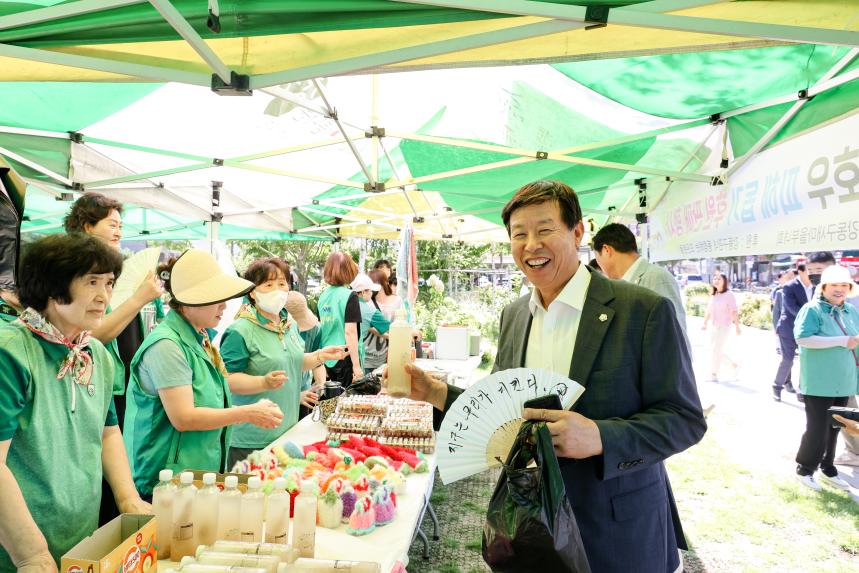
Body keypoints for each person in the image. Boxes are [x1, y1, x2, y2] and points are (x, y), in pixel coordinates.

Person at [398, 180, 706, 573]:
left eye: (545, 229)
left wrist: (600, 437)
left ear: (578, 232)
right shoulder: (514, 316)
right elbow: (501, 411)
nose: (531, 245)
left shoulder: (643, 311)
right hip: (531, 530)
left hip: (618, 533)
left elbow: (684, 419)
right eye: (519, 234)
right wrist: (435, 392)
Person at [0, 234, 150, 570]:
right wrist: (30, 554)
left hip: (80, 536)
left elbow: (108, 432)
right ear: (53, 287)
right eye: (91, 282)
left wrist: (127, 497)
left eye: (109, 283)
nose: (104, 296)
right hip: (17, 548)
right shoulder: (10, 352)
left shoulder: (94, 352)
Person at [124, 250, 283, 497]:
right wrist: (247, 413)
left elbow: (210, 397)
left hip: (196, 476)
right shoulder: (167, 345)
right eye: (215, 298)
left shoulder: (200, 338)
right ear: (189, 302)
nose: (224, 306)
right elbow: (184, 417)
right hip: (166, 482)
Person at [219, 257, 347, 468]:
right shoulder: (240, 330)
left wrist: (319, 356)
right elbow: (226, 380)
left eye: (281, 283)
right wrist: (263, 382)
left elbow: (292, 362)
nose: (277, 291)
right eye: (268, 285)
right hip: (250, 439)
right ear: (252, 292)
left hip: (287, 431)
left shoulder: (289, 324)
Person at [64, 192, 164, 427]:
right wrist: (139, 298)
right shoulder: (74, 271)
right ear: (88, 226)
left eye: (120, 226)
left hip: (121, 381)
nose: (118, 232)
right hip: (93, 381)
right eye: (112, 225)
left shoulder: (110, 269)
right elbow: (90, 336)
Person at [793, 265, 859, 492]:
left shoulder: (850, 311)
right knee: (818, 429)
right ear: (823, 287)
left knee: (835, 427)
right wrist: (841, 341)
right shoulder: (812, 309)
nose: (839, 289)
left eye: (844, 285)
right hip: (819, 381)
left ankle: (828, 468)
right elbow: (803, 338)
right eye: (834, 285)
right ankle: (804, 469)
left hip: (844, 380)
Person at [592, 223, 687, 339]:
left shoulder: (656, 277)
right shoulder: (623, 283)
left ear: (606, 250)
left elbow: (675, 336)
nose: (600, 266)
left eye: (597, 259)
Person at [774, 253, 836, 402]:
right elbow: (790, 308)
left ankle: (801, 389)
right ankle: (777, 386)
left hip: (810, 331)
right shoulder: (789, 286)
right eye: (810, 270)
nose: (812, 274)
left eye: (817, 270)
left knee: (805, 359)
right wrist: (811, 317)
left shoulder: (819, 287)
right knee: (788, 359)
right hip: (789, 329)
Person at [318, 252, 363, 385]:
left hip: (327, 357)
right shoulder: (350, 295)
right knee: (347, 397)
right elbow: (350, 332)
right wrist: (356, 366)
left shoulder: (323, 296)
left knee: (332, 396)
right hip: (345, 357)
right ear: (349, 271)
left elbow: (321, 328)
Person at [351, 272, 392, 373]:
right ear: (363, 292)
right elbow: (391, 329)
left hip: (345, 354)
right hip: (359, 357)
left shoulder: (347, 304)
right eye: (370, 290)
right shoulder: (370, 311)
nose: (372, 293)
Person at [363, 269, 400, 371]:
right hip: (367, 355)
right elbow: (367, 324)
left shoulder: (397, 300)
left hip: (388, 355)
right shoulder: (367, 302)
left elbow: (401, 323)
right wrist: (391, 336)